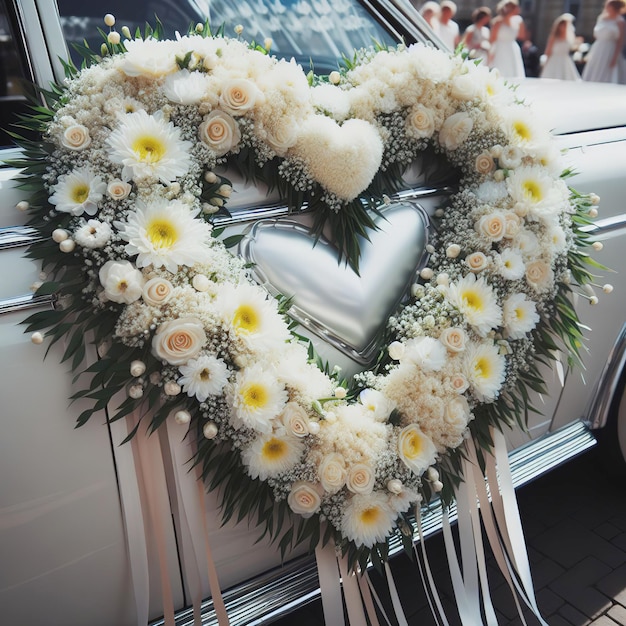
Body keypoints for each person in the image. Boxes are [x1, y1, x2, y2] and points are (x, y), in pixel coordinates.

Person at [582, 0, 626, 83]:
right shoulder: (601, 18)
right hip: (598, 48)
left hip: (610, 49)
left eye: (609, 6)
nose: (607, 8)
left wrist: (615, 57)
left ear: (615, 8)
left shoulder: (620, 21)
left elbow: (620, 41)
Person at [489, 0, 527, 78]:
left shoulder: (517, 20)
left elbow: (522, 36)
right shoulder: (498, 22)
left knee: (513, 70)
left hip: (512, 48)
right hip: (500, 49)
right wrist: (491, 53)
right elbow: (492, 39)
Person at [540, 14, 581, 80]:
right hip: (554, 61)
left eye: (565, 25)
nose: (563, 27)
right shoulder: (554, 37)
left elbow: (572, 48)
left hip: (565, 62)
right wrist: (545, 63)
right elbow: (548, 51)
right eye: (562, 25)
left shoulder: (569, 38)